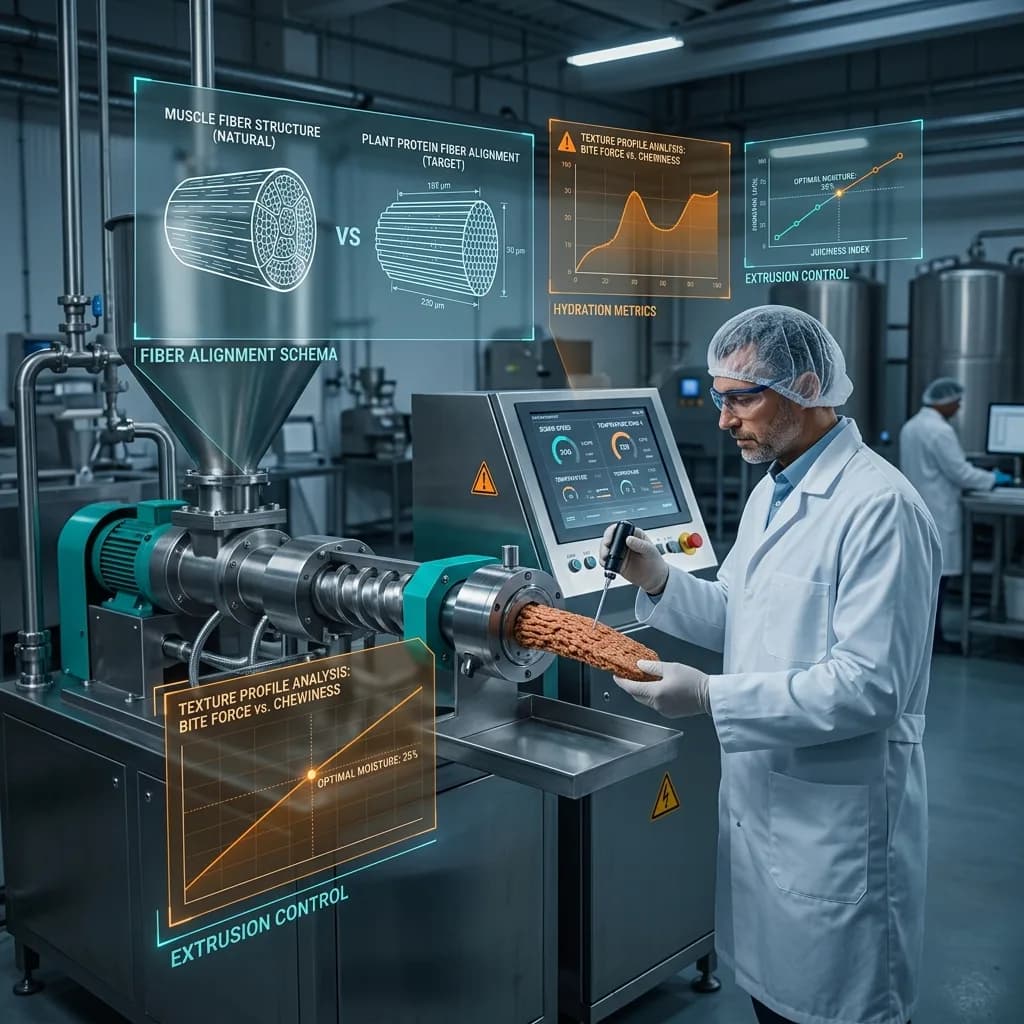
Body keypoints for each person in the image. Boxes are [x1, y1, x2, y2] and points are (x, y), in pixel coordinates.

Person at [602, 305, 940, 1024]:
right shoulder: (773, 490)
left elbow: (870, 687)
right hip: (770, 818)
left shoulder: (881, 508)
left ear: (807, 386)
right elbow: (743, 613)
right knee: (772, 1004)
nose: (724, 419)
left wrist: (710, 697)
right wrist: (657, 577)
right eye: (720, 396)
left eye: (741, 397)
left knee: (831, 1009)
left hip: (836, 827)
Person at [899, 378, 1013, 654]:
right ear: (945, 401)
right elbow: (960, 472)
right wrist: (994, 479)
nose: (959, 407)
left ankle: (923, 639)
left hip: (917, 512)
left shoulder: (911, 426)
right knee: (939, 582)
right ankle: (935, 640)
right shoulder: (939, 430)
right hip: (939, 513)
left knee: (922, 581)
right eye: (957, 402)